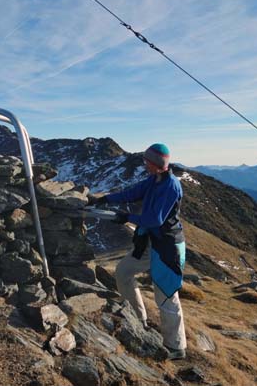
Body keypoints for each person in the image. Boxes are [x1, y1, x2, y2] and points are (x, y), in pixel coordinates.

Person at [90, 143, 187, 360]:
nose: (144, 164)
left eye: (147, 161)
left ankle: (176, 347)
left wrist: (126, 217)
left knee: (166, 294)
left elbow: (155, 219)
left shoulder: (170, 185)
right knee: (123, 272)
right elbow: (133, 193)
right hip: (149, 242)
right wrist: (105, 199)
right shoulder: (155, 179)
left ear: (155, 164)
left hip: (167, 246)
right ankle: (138, 319)